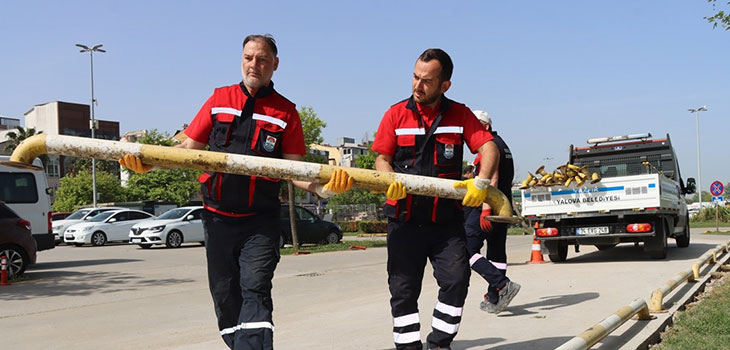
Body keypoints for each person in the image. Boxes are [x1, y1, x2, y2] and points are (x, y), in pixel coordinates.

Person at [119, 34, 353, 350]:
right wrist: (147, 162)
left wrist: (324, 189)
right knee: (226, 297)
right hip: (216, 221)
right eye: (248, 58)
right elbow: (188, 149)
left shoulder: (285, 112)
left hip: (260, 221)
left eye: (262, 59)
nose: (254, 65)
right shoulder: (219, 99)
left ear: (275, 65)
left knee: (255, 287)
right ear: (241, 59)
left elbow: (296, 171)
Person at [371, 48, 500, 350]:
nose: (417, 86)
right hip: (404, 220)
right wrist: (389, 178)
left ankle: (440, 343)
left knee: (457, 280)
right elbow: (381, 158)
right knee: (403, 289)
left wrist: (481, 183)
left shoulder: (460, 115)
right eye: (415, 77)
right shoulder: (395, 114)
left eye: (427, 81)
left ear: (445, 86)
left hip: (445, 223)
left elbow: (489, 148)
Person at [464, 110, 520, 314]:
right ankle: (496, 298)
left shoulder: (491, 146)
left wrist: (485, 210)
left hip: (488, 205)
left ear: (485, 126)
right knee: (496, 251)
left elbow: (492, 179)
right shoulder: (503, 144)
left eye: (475, 126)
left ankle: (502, 284)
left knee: (466, 249)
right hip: (502, 206)